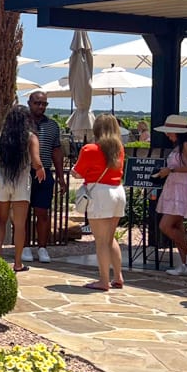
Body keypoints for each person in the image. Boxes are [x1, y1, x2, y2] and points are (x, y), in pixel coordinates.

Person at [0, 106, 44, 272]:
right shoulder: (30, 138)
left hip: (1, 179)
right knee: (19, 224)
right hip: (21, 181)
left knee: (1, 219)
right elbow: (36, 161)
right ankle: (17, 263)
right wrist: (41, 169)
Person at [72, 113, 127, 290]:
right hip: (117, 191)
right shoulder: (119, 148)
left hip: (100, 193)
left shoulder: (90, 149)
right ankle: (118, 276)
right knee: (110, 238)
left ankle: (104, 280)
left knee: (101, 241)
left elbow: (78, 172)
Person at [153, 114, 187, 276]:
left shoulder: (186, 145)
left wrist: (171, 170)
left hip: (180, 188)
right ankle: (184, 264)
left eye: (170, 131)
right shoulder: (181, 145)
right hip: (175, 186)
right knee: (177, 226)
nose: (168, 135)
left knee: (166, 225)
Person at [22, 91, 63, 263]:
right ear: (29, 103)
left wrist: (61, 177)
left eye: (44, 103)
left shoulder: (53, 125)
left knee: (42, 212)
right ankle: (24, 247)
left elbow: (56, 151)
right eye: (37, 103)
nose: (41, 106)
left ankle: (42, 247)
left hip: (45, 172)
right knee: (22, 212)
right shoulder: (21, 123)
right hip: (24, 172)